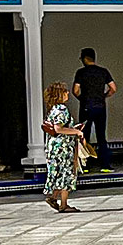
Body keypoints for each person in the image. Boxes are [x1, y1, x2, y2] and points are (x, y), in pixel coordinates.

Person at [41, 83, 86, 213]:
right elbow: (58, 128)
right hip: (63, 147)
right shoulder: (61, 109)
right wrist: (76, 132)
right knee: (67, 173)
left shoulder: (53, 109)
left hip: (54, 147)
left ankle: (54, 197)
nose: (67, 93)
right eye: (65, 91)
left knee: (59, 173)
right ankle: (64, 204)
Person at [71, 48, 117, 172]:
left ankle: (85, 166)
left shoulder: (81, 72)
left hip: (86, 106)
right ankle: (105, 165)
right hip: (100, 106)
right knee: (101, 135)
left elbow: (75, 90)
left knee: (84, 135)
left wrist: (82, 98)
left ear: (85, 58)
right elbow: (113, 88)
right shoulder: (103, 72)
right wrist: (104, 96)